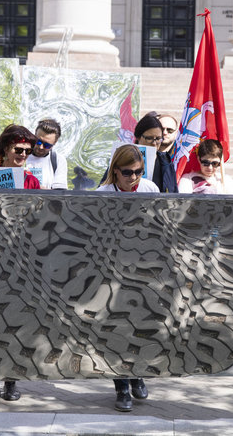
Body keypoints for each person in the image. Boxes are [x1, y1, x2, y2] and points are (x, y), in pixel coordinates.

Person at [96, 144, 158, 411]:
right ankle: (121, 385)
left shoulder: (150, 189)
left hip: (142, 269)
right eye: (127, 172)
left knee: (141, 325)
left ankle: (138, 374)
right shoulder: (102, 194)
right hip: (111, 270)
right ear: (115, 171)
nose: (133, 177)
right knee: (117, 328)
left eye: (138, 172)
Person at [0, 124, 40, 403]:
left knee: (18, 321)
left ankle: (12, 379)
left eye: (28, 152)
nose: (23, 155)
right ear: (5, 149)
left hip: (23, 258)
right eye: (18, 150)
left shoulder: (31, 181)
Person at [25, 118, 68, 190]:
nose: (41, 147)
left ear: (55, 143)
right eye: (38, 141)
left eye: (47, 145)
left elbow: (60, 193)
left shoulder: (58, 160)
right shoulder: (20, 154)